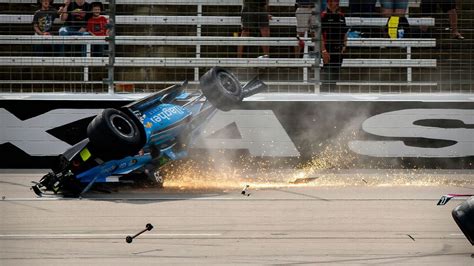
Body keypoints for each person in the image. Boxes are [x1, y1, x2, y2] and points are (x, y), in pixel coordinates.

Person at [321, 0, 348, 91]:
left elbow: (344, 32)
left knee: (335, 76)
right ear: (329, 3)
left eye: (337, 1)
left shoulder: (341, 16)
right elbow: (319, 34)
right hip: (328, 49)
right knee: (326, 77)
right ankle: (323, 96)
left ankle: (331, 96)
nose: (337, 3)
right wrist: (324, 51)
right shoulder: (323, 15)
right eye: (334, 1)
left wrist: (344, 46)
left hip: (338, 50)